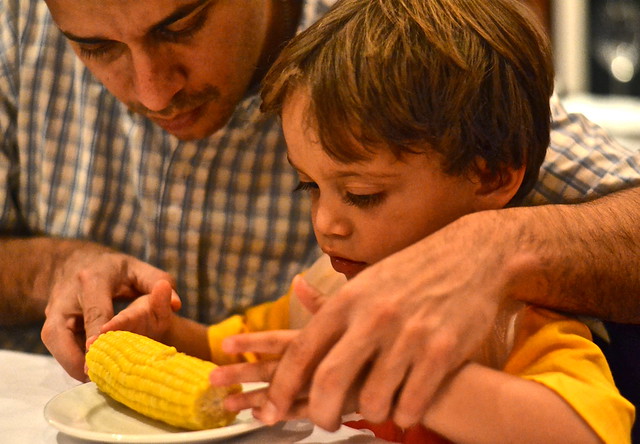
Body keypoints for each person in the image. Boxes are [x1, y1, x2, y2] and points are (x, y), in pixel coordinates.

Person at [1, 0, 639, 436]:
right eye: (308, 186)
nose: (326, 223)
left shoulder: (504, 319)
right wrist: (163, 336)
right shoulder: (325, 291)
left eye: (361, 195)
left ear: (491, 174)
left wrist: (397, 382)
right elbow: (238, 356)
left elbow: (578, 431)